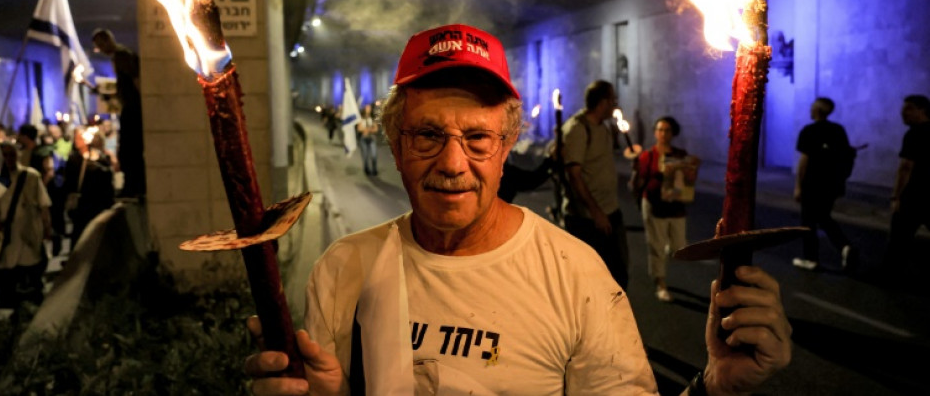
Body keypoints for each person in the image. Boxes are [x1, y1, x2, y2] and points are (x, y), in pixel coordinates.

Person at [244, 24, 792, 396]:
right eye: (428, 135)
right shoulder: (343, 268)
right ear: (394, 143)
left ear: (507, 147)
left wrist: (714, 387)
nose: (453, 163)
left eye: (478, 138)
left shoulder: (574, 276)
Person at [561, 80, 630, 288]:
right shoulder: (578, 129)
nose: (615, 104)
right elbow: (574, 175)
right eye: (613, 100)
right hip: (588, 219)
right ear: (602, 102)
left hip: (610, 211)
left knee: (618, 275)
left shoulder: (605, 127)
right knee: (590, 281)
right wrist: (596, 212)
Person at [632, 116, 700, 302]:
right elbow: (638, 181)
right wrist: (636, 169)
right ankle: (660, 283)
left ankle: (668, 248)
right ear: (655, 132)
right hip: (654, 205)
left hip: (676, 206)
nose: (663, 133)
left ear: (673, 133)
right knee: (656, 247)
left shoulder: (680, 154)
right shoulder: (648, 156)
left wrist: (692, 167)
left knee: (679, 247)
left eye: (667, 130)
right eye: (660, 129)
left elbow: (688, 179)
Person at [0, 141, 52, 308]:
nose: (8, 159)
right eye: (4, 155)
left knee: (29, 287)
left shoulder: (31, 177)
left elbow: (44, 206)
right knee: (5, 287)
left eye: (11, 154)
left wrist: (47, 230)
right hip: (2, 242)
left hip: (27, 239)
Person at [792, 97, 855, 271]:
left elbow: (804, 162)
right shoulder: (838, 130)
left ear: (818, 111)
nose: (810, 110)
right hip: (833, 184)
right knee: (823, 216)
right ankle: (844, 247)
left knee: (808, 222)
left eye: (812, 107)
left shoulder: (809, 131)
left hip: (812, 184)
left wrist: (798, 186)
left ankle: (812, 258)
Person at [92, 28, 145, 198]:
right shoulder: (121, 55)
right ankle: (135, 185)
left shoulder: (122, 55)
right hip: (132, 107)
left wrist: (143, 102)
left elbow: (136, 80)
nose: (100, 49)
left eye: (100, 45)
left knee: (129, 150)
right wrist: (111, 95)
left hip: (133, 108)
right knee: (131, 149)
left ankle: (134, 186)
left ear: (107, 40)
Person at [884, 94, 930, 275]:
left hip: (915, 194)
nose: (903, 113)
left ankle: (891, 274)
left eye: (908, 109)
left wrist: (896, 196)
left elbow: (905, 167)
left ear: (922, 110)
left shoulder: (915, 134)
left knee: (899, 237)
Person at [356, 103, 380, 176]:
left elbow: (376, 129)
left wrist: (368, 130)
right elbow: (359, 128)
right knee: (365, 155)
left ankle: (374, 169)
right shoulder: (361, 118)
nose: (368, 109)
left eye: (369, 108)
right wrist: (368, 129)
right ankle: (366, 169)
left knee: (374, 155)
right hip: (363, 139)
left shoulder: (372, 118)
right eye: (367, 108)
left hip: (371, 138)